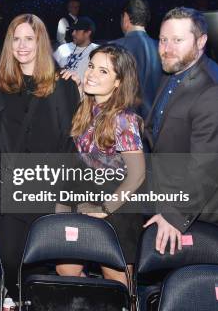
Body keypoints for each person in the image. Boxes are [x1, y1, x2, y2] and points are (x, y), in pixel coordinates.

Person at [0, 14, 80, 296]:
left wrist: (64, 198)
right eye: (16, 39)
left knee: (39, 265)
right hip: (11, 188)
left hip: (47, 190)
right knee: (10, 260)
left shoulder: (62, 84)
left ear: (41, 41)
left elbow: (70, 145)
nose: (22, 45)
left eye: (29, 38)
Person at [144, 7, 218, 256]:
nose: (167, 48)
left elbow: (206, 166)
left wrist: (175, 215)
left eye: (178, 40)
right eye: (164, 39)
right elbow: (166, 130)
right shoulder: (175, 71)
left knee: (195, 288)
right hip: (170, 198)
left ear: (201, 41)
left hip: (205, 218)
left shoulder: (216, 92)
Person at [58, 44, 146, 288]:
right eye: (92, 67)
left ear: (118, 82)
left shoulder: (124, 120)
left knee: (119, 283)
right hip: (86, 199)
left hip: (118, 206)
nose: (92, 74)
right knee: (66, 268)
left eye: (103, 71)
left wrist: (105, 208)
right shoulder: (85, 109)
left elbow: (137, 175)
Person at [112, 0, 163, 119]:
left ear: (125, 17)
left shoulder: (112, 49)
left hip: (122, 122)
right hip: (156, 122)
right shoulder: (163, 49)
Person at [53, 16, 99, 82]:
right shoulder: (63, 48)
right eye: (73, 30)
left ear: (88, 33)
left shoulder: (97, 51)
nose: (73, 33)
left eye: (77, 30)